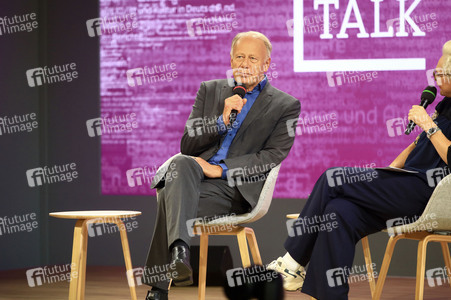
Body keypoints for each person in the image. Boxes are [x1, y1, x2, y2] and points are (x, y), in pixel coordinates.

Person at [267, 40, 451, 300]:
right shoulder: (443, 105)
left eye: (442, 72)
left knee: (333, 179)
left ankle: (292, 262)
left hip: (429, 194)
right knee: (338, 212)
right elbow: (415, 148)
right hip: (406, 185)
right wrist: (386, 175)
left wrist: (429, 126)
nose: (435, 77)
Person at [143, 31, 301, 300]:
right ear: (231, 59)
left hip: (234, 187)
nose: (245, 63)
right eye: (240, 56)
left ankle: (159, 288)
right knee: (182, 163)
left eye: (253, 58)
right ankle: (180, 252)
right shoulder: (211, 90)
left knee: (171, 199)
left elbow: (273, 155)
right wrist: (220, 121)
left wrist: (223, 169)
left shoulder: (285, 105)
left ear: (267, 65)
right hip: (193, 177)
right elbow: (188, 145)